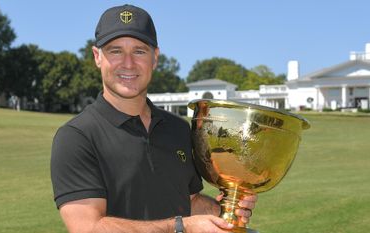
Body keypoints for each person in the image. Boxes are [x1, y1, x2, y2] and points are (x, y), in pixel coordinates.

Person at [50, 4, 257, 233]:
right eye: (115, 51)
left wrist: (226, 209)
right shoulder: (77, 137)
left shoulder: (178, 129)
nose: (128, 63)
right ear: (97, 56)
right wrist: (180, 227)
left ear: (155, 58)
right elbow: (88, 227)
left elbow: (189, 201)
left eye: (139, 51)